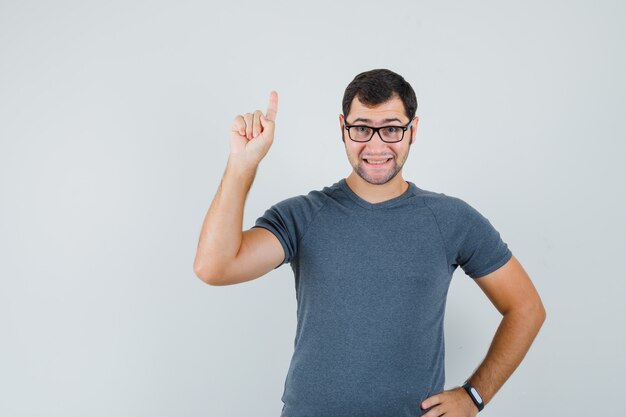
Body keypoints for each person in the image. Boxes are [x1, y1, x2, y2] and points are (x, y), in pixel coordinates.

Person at [193, 69, 546, 417]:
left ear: (413, 130)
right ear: (342, 129)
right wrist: (242, 165)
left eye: (391, 129)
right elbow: (215, 267)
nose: (376, 146)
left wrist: (473, 396)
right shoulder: (303, 216)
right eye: (362, 128)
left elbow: (526, 308)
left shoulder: (450, 219)